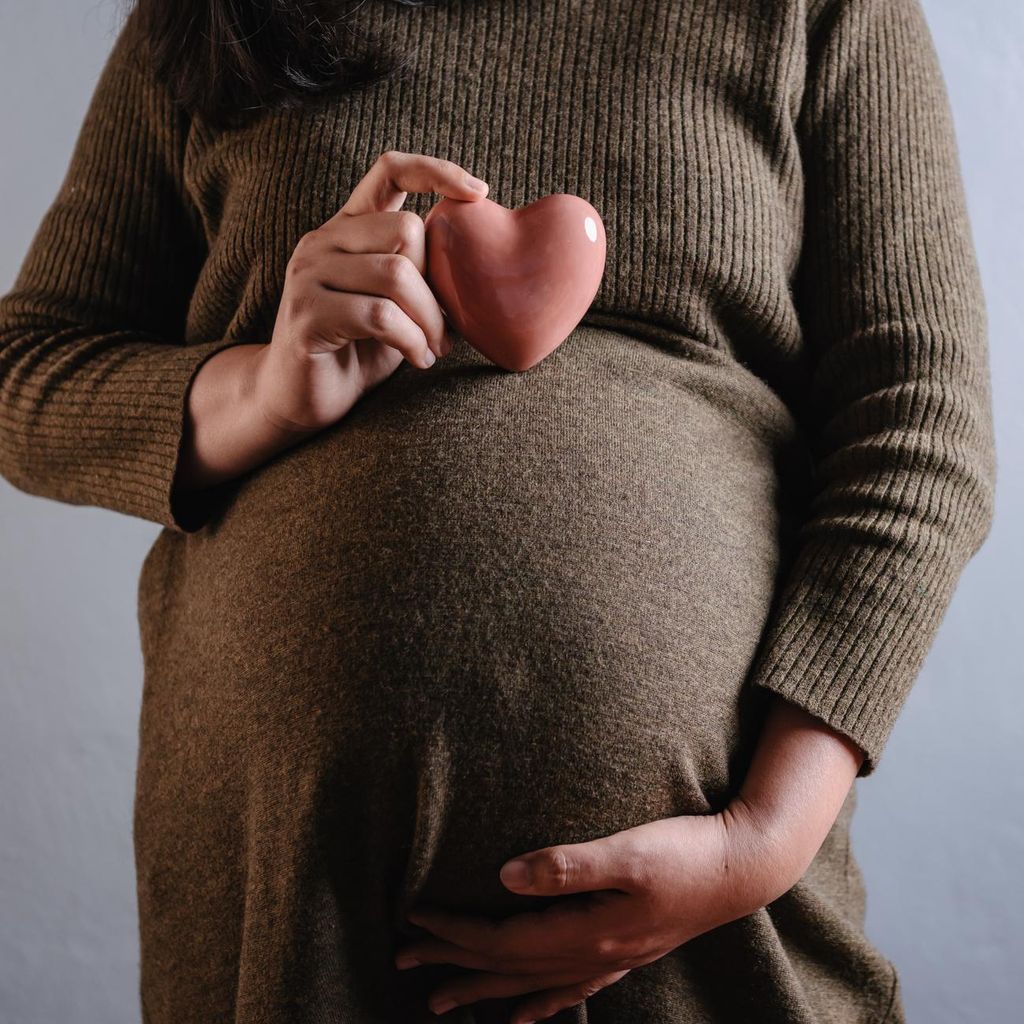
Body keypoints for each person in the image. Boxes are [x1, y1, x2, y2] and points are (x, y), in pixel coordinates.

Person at [0, 0, 996, 1021]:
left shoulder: (817, 12)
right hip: (289, 908)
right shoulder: (216, 14)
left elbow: (921, 428)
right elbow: (26, 376)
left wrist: (761, 840)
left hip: (712, 928)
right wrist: (261, 391)